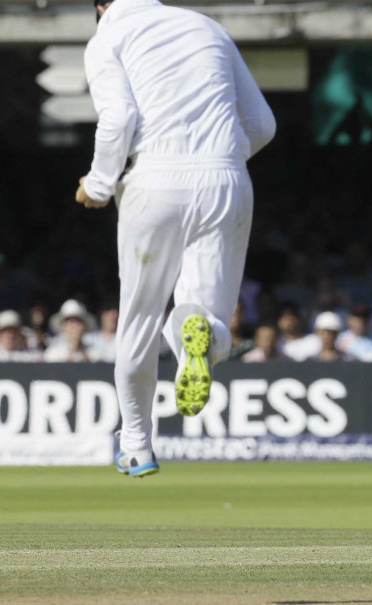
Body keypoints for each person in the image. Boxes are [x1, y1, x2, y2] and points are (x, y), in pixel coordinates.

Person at [75, 0, 276, 477]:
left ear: (101, 6)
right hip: (226, 179)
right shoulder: (208, 26)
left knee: (139, 318)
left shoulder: (108, 36)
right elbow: (263, 125)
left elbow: (119, 118)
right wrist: (219, 157)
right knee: (205, 318)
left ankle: (137, 446)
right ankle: (199, 336)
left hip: (154, 183)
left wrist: (99, 183)